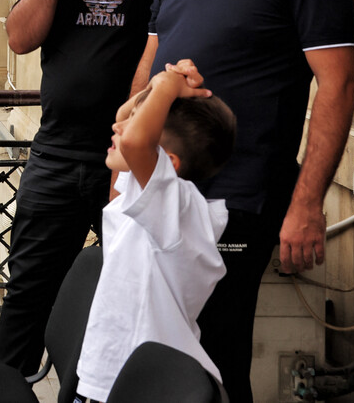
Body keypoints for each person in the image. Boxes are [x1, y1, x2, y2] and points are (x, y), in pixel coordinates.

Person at [133, 0, 354, 403]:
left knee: (215, 358)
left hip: (243, 200)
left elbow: (338, 87)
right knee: (158, 347)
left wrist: (306, 205)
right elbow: (150, 67)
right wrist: (126, 168)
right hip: (163, 190)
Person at [0, 0, 174, 374]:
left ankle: (100, 386)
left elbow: (161, 48)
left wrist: (133, 136)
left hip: (128, 157)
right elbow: (20, 38)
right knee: (28, 284)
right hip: (54, 152)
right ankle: (9, 385)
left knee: (134, 285)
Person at [75, 60, 235, 402]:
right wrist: (163, 86)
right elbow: (125, 119)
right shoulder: (155, 199)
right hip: (113, 377)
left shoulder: (175, 208)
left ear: (168, 163)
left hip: (146, 388)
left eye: (135, 123)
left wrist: (166, 84)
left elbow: (133, 142)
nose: (118, 126)